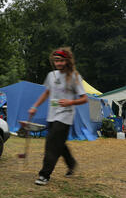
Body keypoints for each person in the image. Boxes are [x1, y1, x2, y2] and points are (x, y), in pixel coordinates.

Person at [28, 47, 88, 186]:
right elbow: (46, 93)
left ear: (67, 61)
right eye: (56, 60)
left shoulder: (74, 77)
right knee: (59, 143)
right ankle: (71, 163)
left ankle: (44, 175)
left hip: (66, 116)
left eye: (61, 60)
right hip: (52, 115)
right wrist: (35, 106)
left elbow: (84, 99)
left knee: (51, 144)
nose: (59, 63)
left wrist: (70, 102)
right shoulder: (51, 75)